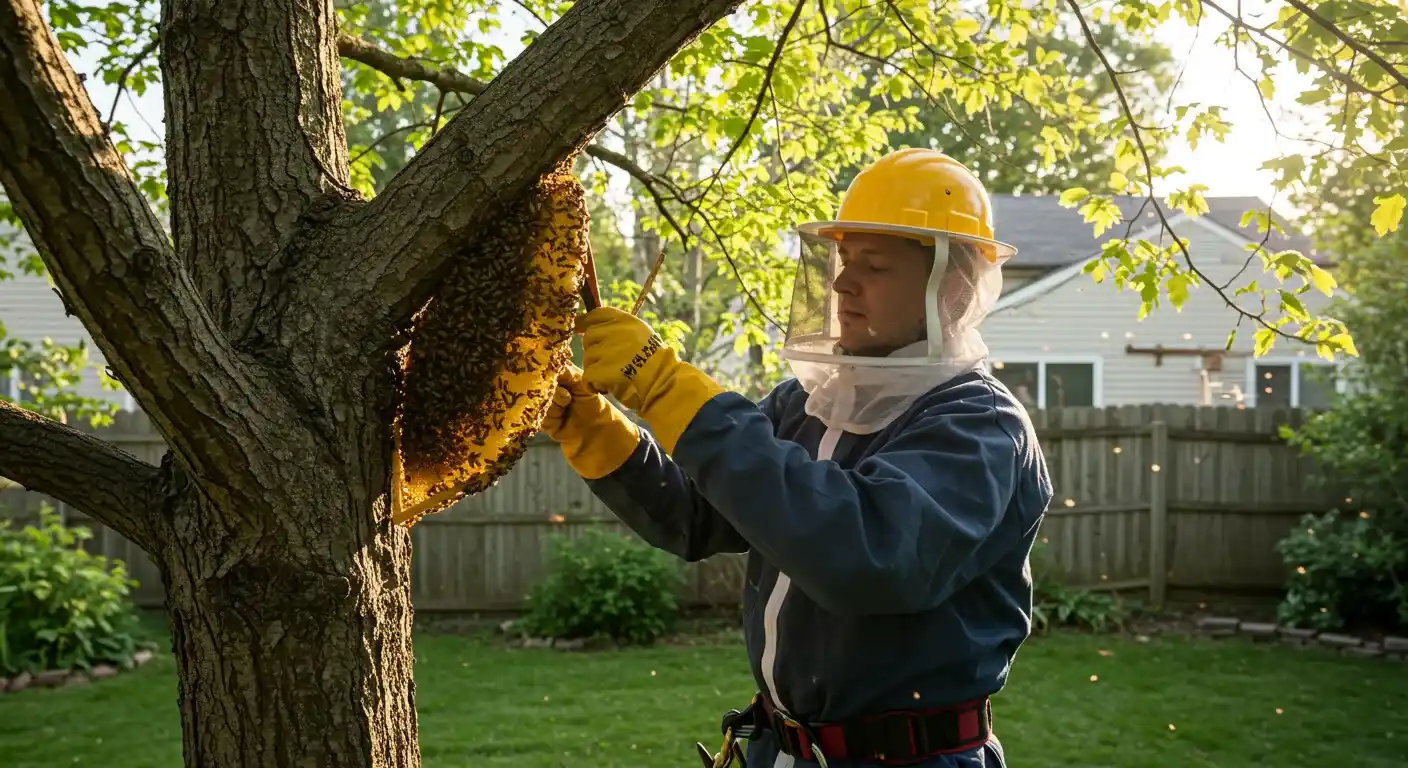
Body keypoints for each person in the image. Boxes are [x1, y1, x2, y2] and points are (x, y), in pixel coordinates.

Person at [541, 148, 1053, 768]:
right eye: (842, 260)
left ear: (952, 287)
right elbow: (697, 515)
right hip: (779, 750)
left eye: (875, 265)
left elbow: (868, 552)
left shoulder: (978, 425)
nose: (842, 283)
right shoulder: (807, 402)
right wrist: (596, 431)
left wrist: (671, 390)